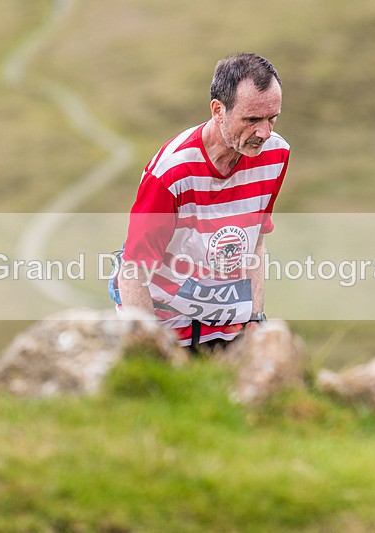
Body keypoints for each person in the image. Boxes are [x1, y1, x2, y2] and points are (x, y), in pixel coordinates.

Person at [112, 52, 290, 351]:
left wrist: (255, 320)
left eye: (272, 118)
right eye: (252, 119)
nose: (264, 132)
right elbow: (133, 272)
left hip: (228, 322)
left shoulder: (276, 154)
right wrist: (150, 351)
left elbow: (256, 244)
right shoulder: (171, 172)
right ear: (218, 110)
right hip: (166, 327)